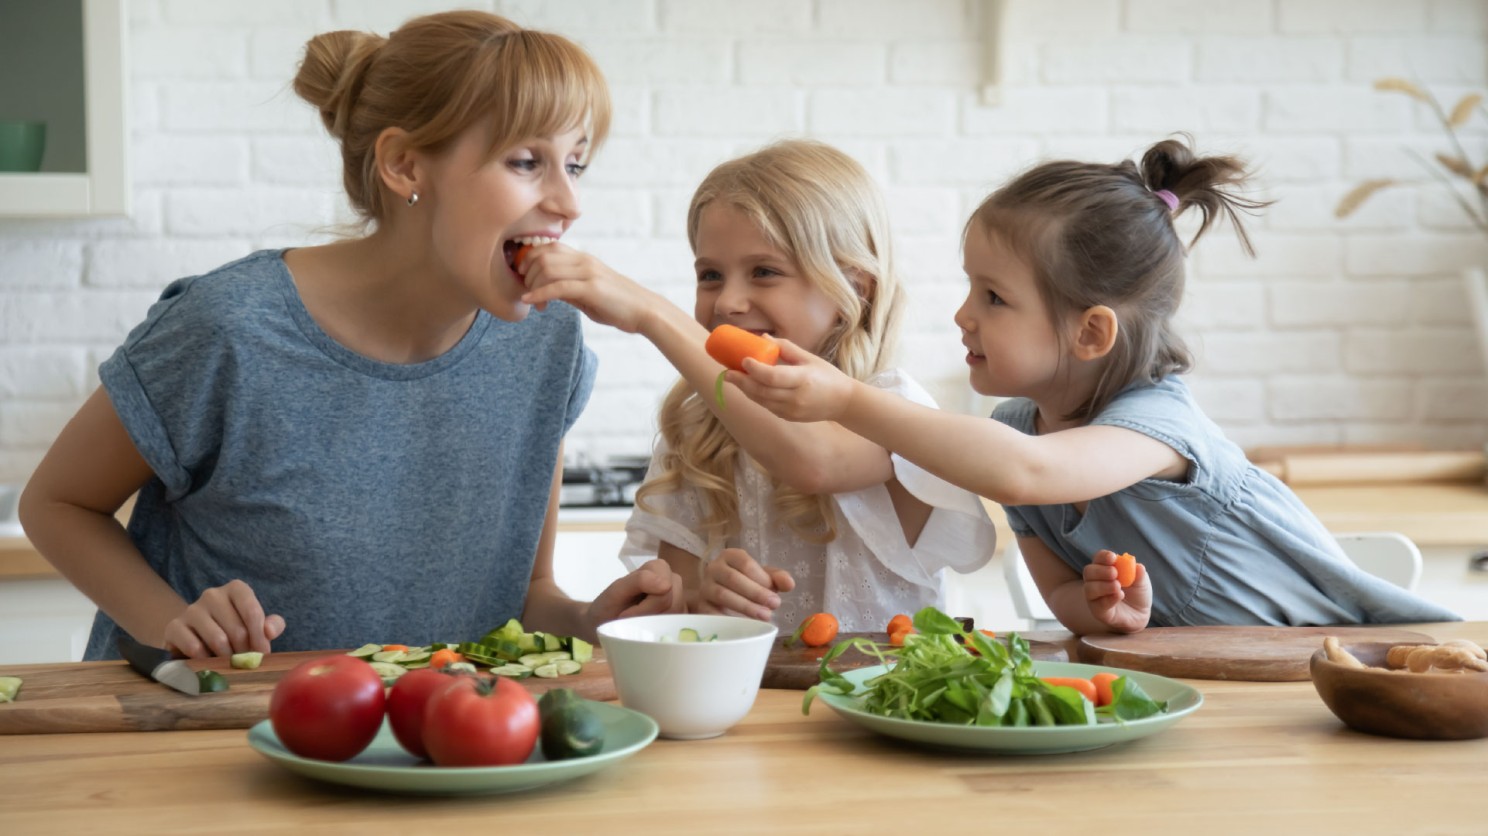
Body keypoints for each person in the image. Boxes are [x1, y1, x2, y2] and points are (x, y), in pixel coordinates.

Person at [18, 10, 684, 661]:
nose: (569, 204)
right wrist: (175, 623)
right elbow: (56, 504)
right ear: (403, 165)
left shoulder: (547, 342)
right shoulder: (229, 329)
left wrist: (593, 619)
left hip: (428, 752)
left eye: (575, 164)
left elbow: (526, 595)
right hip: (211, 739)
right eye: (525, 161)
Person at [729, 136, 1462, 634]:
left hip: (1349, 662)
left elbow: (1026, 474)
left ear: (1090, 333)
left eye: (993, 297)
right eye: (969, 290)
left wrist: (849, 400)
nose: (963, 316)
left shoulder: (1155, 422)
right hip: (1210, 687)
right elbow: (1057, 595)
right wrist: (1104, 607)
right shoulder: (1015, 431)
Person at [519, 139, 997, 633]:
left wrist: (651, 314)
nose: (727, 302)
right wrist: (704, 598)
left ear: (855, 285)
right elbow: (674, 613)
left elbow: (812, 461)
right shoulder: (698, 431)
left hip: (880, 702)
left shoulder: (893, 409)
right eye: (710, 275)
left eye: (764, 272)